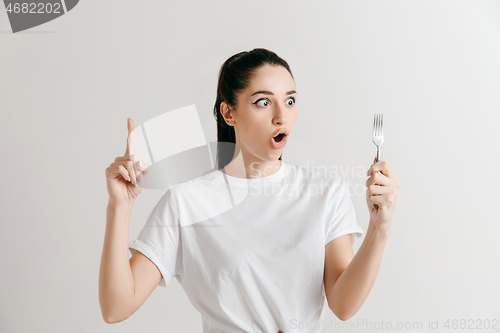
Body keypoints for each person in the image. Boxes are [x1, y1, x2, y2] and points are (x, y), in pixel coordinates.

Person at [99, 48, 401, 332]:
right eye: (263, 102)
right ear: (229, 114)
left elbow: (343, 305)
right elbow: (116, 308)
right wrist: (120, 207)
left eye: (290, 101)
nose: (281, 115)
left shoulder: (325, 191)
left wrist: (379, 228)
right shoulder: (187, 202)